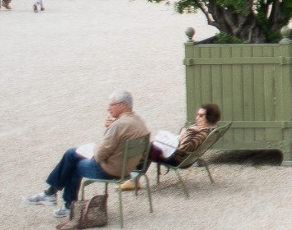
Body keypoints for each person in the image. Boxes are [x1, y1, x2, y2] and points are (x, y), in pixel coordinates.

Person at [25, 90, 151, 221]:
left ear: (123, 105)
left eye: (111, 105)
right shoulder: (138, 121)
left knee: (73, 161)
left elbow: (100, 155)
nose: (108, 109)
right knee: (73, 154)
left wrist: (96, 146)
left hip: (110, 170)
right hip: (127, 169)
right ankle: (51, 194)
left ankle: (64, 203)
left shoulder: (119, 126)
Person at [138, 104, 221, 188]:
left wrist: (188, 132)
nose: (197, 118)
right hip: (181, 155)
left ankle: (134, 178)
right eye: (197, 115)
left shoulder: (201, 133)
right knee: (149, 148)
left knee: (147, 148)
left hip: (177, 159)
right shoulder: (207, 130)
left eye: (201, 116)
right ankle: (134, 177)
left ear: (209, 118)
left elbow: (183, 149)